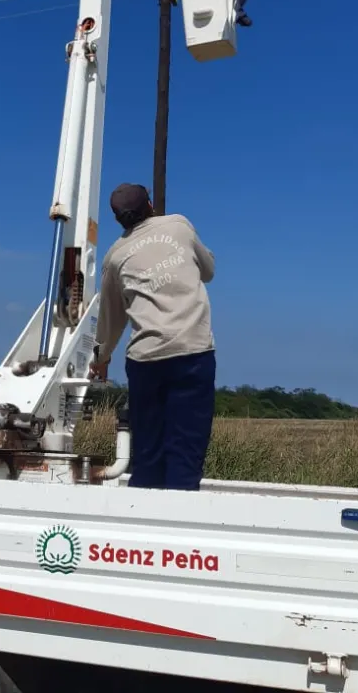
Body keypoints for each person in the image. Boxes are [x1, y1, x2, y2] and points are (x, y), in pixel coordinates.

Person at [90, 184, 216, 491]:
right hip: (192, 351)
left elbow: (111, 317)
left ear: (117, 219)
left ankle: (141, 515)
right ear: (149, 204)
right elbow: (209, 270)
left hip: (145, 360)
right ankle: (178, 516)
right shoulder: (179, 226)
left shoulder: (115, 256)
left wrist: (101, 358)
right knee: (186, 454)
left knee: (147, 455)